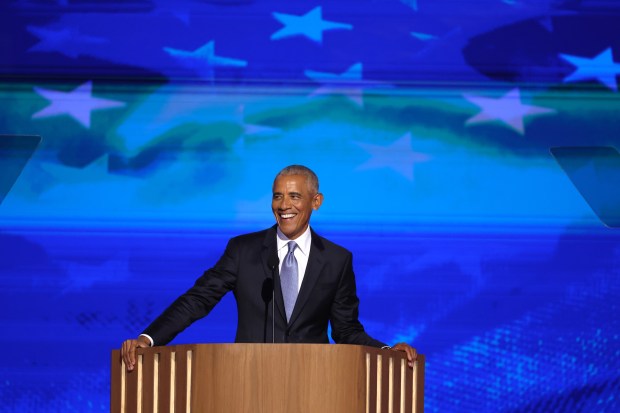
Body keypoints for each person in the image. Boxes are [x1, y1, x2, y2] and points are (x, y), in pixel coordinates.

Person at [121, 165, 416, 370]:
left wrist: (387, 352)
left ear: (316, 202)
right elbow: (198, 300)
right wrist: (148, 339)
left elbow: (346, 330)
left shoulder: (337, 260)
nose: (283, 204)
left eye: (294, 196)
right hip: (248, 379)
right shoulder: (243, 250)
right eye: (277, 195)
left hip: (318, 381)